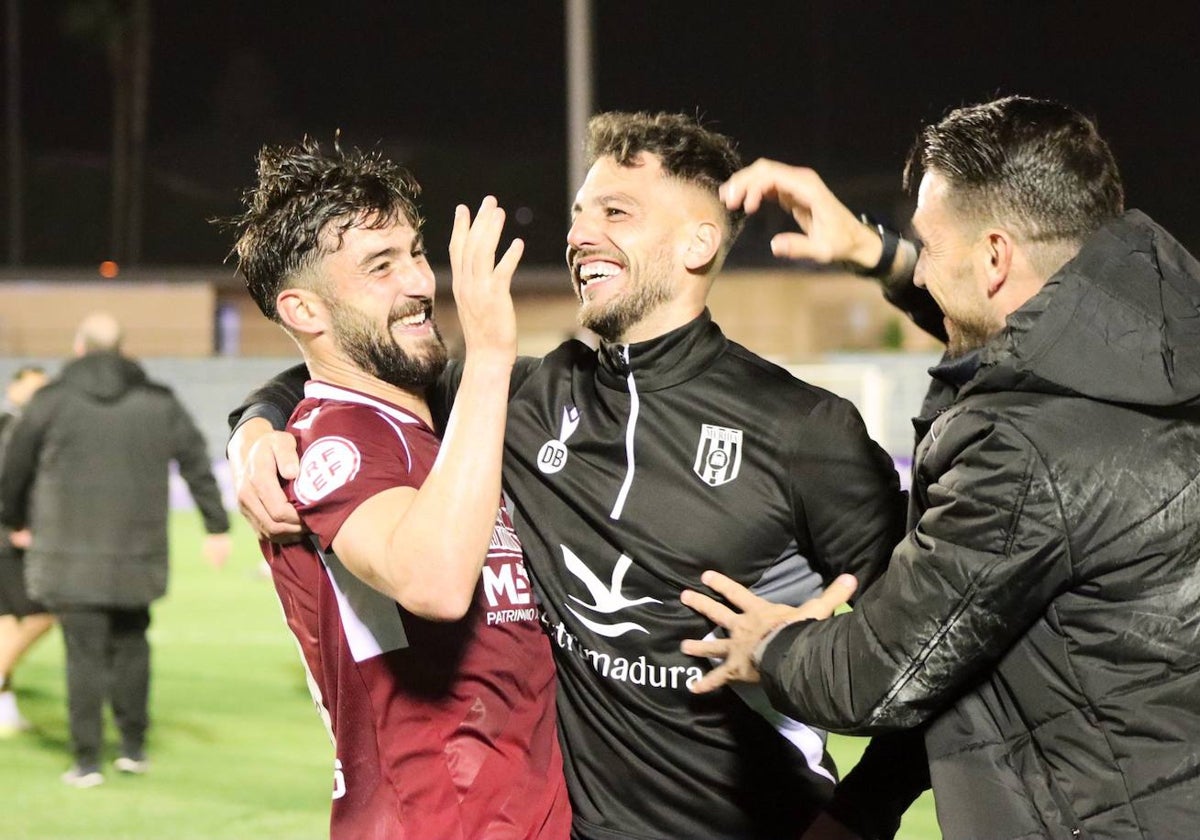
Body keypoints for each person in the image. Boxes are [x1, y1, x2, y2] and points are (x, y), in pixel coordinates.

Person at [229, 113, 906, 840]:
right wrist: (256, 426)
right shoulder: (520, 398)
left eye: (616, 212)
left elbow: (952, 640)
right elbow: (350, 361)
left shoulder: (804, 431)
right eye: (581, 215)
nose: (581, 235)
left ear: (698, 242)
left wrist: (860, 815)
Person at [681, 95, 1200, 839]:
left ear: (994, 257)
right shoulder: (1159, 347)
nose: (921, 271)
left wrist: (767, 644)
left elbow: (881, 668)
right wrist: (875, 253)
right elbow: (1042, 338)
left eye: (927, 246)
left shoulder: (1022, 451)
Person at [227, 140, 570, 839]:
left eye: (415, 253)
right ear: (305, 311)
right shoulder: (333, 442)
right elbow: (436, 581)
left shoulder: (426, 431)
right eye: (380, 267)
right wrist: (492, 354)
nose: (419, 282)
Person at [0, 312, 232, 788]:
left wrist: (14, 520)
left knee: (81, 655)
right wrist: (216, 525)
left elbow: (16, 466)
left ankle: (86, 762)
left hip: (67, 553)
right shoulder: (158, 402)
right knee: (132, 648)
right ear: (123, 349)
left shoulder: (51, 401)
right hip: (137, 554)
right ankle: (132, 748)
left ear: (79, 347)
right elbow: (195, 460)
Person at [0, 365, 53, 735]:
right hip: (7, 540)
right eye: (31, 386)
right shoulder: (9, 426)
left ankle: (5, 709)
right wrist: (17, 526)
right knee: (44, 611)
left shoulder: (28, 428)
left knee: (5, 623)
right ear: (13, 387)